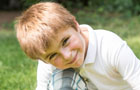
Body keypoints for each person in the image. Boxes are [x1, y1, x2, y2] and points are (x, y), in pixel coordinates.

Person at [15, 2, 140, 90]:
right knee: (60, 80)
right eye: (53, 55)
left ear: (75, 25)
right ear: (43, 60)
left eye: (65, 41)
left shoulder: (110, 47)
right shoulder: (46, 59)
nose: (67, 55)